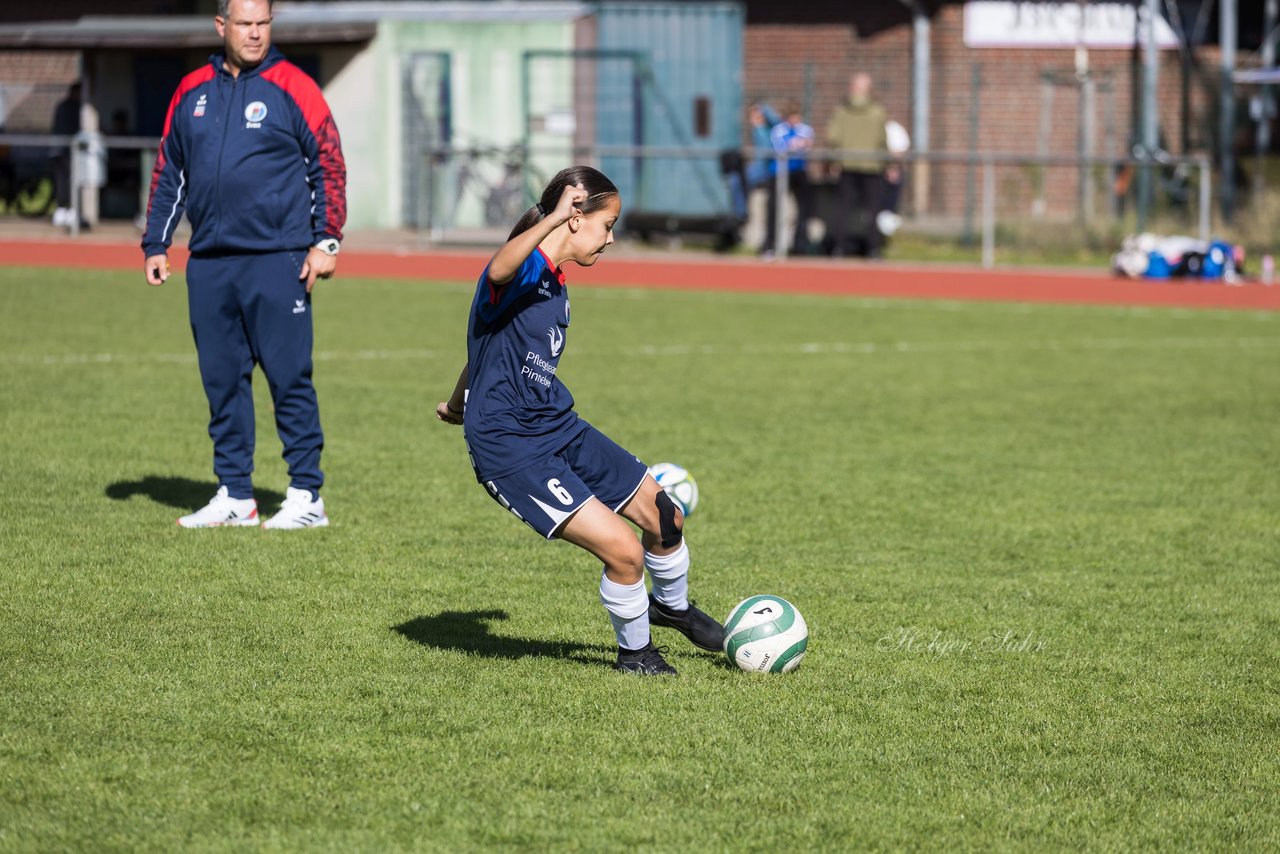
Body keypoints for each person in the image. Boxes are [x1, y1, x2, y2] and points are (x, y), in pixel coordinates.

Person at [436, 165, 723, 676]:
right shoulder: (523, 270)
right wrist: (549, 218)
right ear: (574, 218)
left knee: (665, 513)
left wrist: (458, 399)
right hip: (511, 446)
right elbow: (497, 271)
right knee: (624, 552)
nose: (610, 238)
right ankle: (635, 655)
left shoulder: (556, 285)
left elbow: (483, 345)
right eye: (607, 224)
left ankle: (672, 606)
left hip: (555, 424)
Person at [141, 0, 346, 529]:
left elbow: (328, 163)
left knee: (288, 378)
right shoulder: (190, 92)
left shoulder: (295, 86)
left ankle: (307, 497)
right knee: (222, 380)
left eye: (263, 23)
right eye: (245, 24)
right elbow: (170, 171)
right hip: (208, 262)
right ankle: (235, 493)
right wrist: (156, 243)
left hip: (278, 261)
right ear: (221, 26)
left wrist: (327, 241)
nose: (255, 34)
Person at [825, 72, 888, 257]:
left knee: (843, 209)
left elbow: (833, 137)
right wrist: (887, 164)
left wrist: (834, 161)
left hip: (847, 165)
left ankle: (839, 247)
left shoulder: (841, 111)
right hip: (872, 166)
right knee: (872, 210)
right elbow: (882, 140)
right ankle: (873, 249)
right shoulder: (878, 111)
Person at [761, 101, 816, 259]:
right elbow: (782, 149)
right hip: (779, 172)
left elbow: (805, 147)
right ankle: (769, 245)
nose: (794, 120)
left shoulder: (806, 129)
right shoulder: (778, 130)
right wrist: (795, 145)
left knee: (804, 208)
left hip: (798, 172)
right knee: (773, 207)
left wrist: (797, 145)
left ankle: (800, 245)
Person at [49, 82, 81, 228]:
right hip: (64, 150)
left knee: (64, 180)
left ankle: (65, 210)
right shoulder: (71, 108)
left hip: (59, 149)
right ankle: (64, 211)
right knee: (65, 181)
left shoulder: (62, 106)